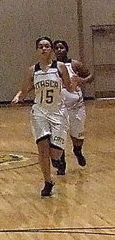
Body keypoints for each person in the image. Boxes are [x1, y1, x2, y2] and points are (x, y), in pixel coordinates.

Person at [12, 36, 75, 196]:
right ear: (37, 50)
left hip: (58, 112)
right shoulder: (33, 70)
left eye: (47, 46)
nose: (44, 49)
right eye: (40, 46)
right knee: (42, 147)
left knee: (55, 153)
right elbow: (25, 88)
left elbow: (69, 87)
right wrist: (19, 95)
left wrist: (76, 82)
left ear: (51, 49)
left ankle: (58, 159)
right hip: (40, 111)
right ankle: (47, 181)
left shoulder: (60, 67)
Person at [52, 39, 93, 173]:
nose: (59, 50)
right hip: (59, 108)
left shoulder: (74, 64)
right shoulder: (51, 66)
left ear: (66, 49)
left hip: (76, 107)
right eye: (56, 48)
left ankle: (77, 151)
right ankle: (61, 163)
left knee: (77, 137)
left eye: (61, 47)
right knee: (59, 136)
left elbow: (90, 76)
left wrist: (83, 80)